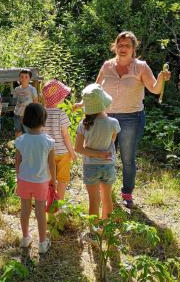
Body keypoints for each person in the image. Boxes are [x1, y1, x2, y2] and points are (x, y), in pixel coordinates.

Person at [94, 31, 170, 208]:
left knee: (127, 158)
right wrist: (83, 104)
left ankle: (127, 192)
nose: (123, 48)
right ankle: (105, 189)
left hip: (131, 119)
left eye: (127, 45)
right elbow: (95, 89)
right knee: (105, 156)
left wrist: (161, 78)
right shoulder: (107, 66)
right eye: (120, 45)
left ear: (133, 48)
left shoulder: (141, 67)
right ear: (115, 47)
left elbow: (155, 89)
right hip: (107, 118)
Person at [74, 84, 119, 242]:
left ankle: (93, 234)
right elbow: (112, 140)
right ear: (103, 103)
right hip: (108, 165)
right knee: (107, 198)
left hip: (90, 167)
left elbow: (78, 148)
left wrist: (95, 154)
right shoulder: (113, 122)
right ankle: (106, 230)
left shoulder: (83, 124)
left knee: (94, 200)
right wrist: (102, 153)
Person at [15, 103, 56, 254]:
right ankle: (42, 242)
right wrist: (54, 181)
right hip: (41, 182)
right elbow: (52, 164)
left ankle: (25, 237)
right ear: (43, 119)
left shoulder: (20, 140)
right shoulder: (48, 141)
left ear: (25, 120)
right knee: (40, 211)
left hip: (24, 180)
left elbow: (17, 162)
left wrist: (18, 177)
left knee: (25, 210)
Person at [41, 80, 76, 200]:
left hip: (47, 153)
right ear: (58, 99)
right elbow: (66, 136)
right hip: (63, 153)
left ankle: (49, 202)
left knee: (49, 178)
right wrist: (72, 152)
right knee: (63, 179)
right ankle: (59, 202)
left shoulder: (41, 114)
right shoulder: (61, 114)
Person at [13, 69, 39, 137]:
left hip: (27, 115)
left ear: (30, 78)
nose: (23, 78)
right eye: (21, 77)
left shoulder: (32, 89)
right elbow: (15, 101)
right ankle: (19, 146)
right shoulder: (16, 89)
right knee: (18, 131)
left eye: (26, 77)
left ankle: (27, 147)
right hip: (17, 114)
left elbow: (35, 103)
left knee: (27, 133)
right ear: (19, 78)